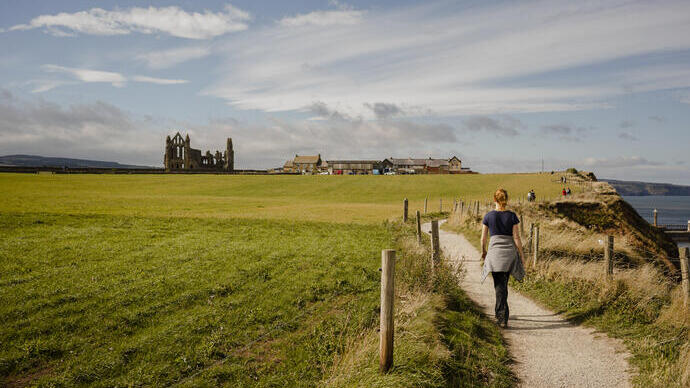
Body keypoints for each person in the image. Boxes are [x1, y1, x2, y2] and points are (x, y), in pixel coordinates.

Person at [480, 189, 525, 328]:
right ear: (506, 199)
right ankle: (502, 315)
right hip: (509, 255)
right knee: (503, 285)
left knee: (499, 286)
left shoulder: (488, 216)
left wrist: (483, 252)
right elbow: (516, 238)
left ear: (494, 200)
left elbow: (483, 239)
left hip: (494, 255)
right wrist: (521, 255)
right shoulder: (512, 216)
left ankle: (501, 317)